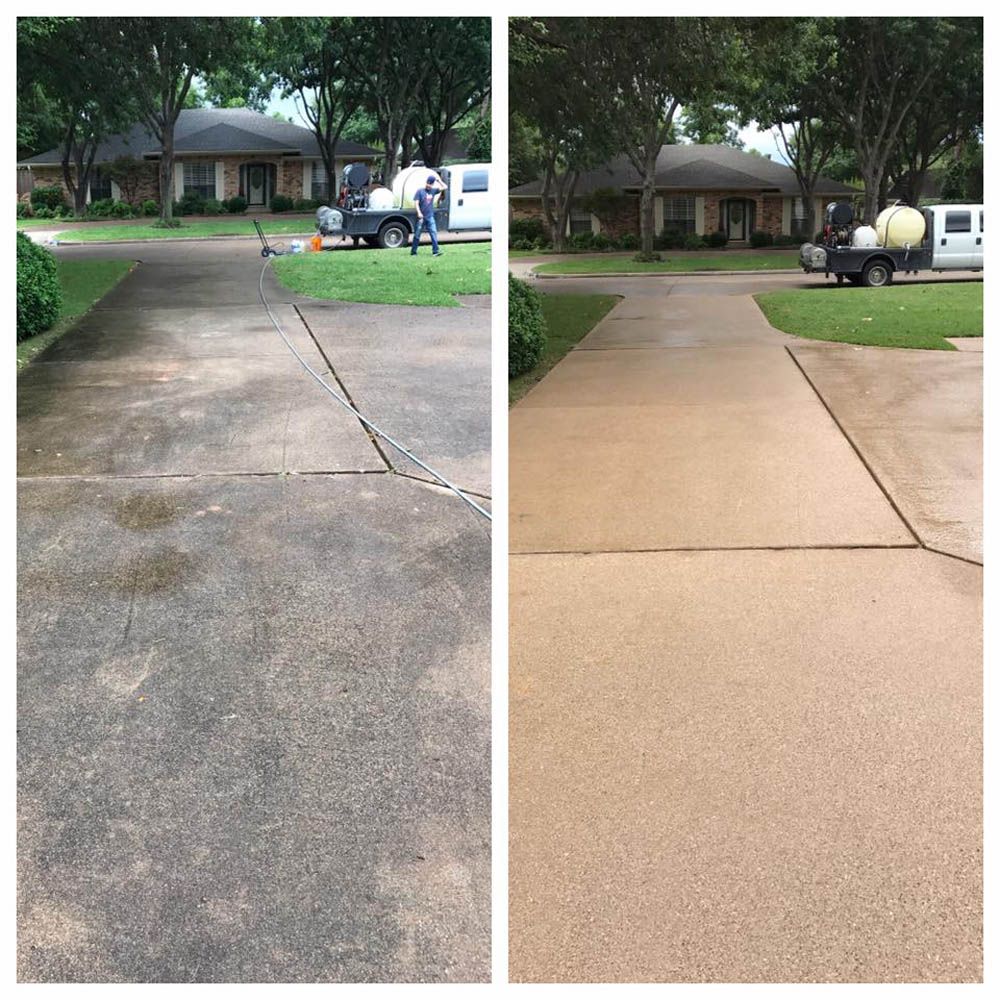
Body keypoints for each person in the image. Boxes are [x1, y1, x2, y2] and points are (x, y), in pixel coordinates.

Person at [411, 174, 447, 256]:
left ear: (432, 184)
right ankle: (413, 252)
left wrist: (439, 181)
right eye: (428, 183)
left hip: (430, 216)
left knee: (433, 233)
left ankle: (435, 251)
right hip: (421, 217)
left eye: (430, 184)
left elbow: (445, 187)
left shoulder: (433, 191)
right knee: (417, 234)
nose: (428, 185)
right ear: (426, 182)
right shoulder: (420, 191)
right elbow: (416, 203)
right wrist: (419, 213)